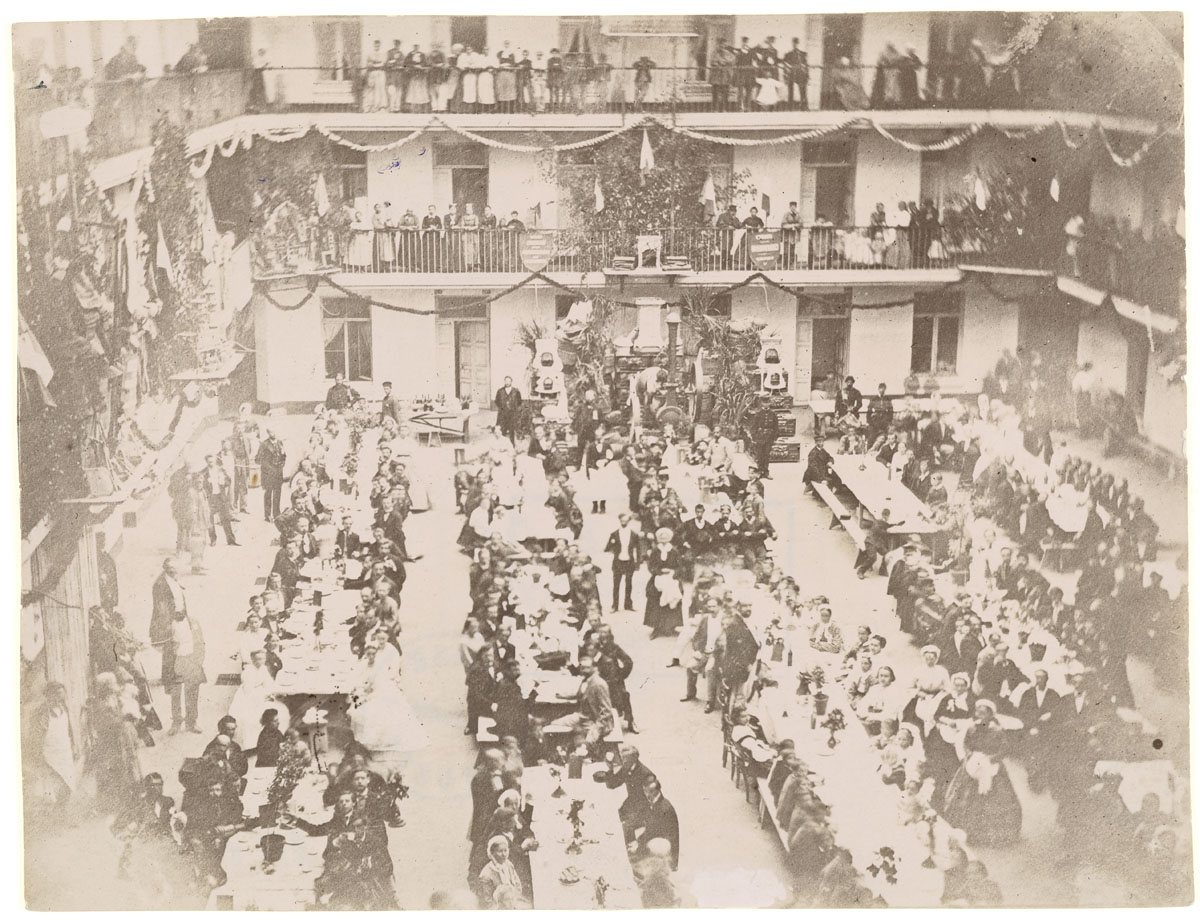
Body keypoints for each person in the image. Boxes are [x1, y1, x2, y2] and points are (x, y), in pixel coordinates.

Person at [941, 700, 1022, 846]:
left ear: (991, 715)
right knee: (965, 795)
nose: (980, 716)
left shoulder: (997, 730)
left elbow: (1004, 749)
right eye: (978, 713)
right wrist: (971, 755)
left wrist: (990, 759)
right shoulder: (972, 728)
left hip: (991, 767)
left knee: (996, 797)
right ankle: (969, 833)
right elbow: (966, 744)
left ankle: (994, 835)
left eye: (984, 713)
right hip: (973, 765)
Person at [550, 655, 614, 746]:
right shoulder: (586, 679)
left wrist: (596, 728)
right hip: (582, 717)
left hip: (595, 722)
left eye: (587, 668)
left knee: (585, 745)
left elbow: (606, 712)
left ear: (594, 668)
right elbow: (580, 694)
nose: (584, 670)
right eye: (582, 668)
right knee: (554, 724)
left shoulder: (598, 684)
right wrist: (562, 695)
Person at [624, 776, 679, 870]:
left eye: (647, 791)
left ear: (654, 792)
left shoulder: (664, 807)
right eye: (644, 791)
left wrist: (638, 844)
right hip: (659, 837)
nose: (645, 794)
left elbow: (654, 831)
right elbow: (649, 826)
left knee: (639, 853)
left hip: (665, 845)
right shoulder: (655, 801)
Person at [605, 512, 641, 612]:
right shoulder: (615, 534)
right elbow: (607, 548)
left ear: (629, 521)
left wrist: (638, 563)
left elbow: (638, 549)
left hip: (629, 561)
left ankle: (628, 605)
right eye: (622, 520)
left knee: (629, 584)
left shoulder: (634, 534)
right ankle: (615, 606)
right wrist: (613, 546)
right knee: (616, 584)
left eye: (626, 520)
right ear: (620, 521)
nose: (623, 522)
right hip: (618, 562)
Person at [256, 429, 287, 522]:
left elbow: (284, 456)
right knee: (268, 494)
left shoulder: (280, 442)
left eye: (275, 431)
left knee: (277, 493)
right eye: (271, 432)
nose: (274, 433)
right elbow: (258, 459)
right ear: (268, 433)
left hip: (278, 472)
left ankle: (277, 513)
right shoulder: (264, 444)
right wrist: (269, 467)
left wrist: (283, 459)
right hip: (268, 474)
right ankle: (268, 515)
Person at [494, 377, 523, 443]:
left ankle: (512, 446)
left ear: (511, 382)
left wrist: (514, 408)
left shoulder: (516, 391)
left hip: (512, 414)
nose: (507, 382)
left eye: (509, 381)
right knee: (502, 430)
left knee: (511, 431)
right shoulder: (500, 391)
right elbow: (496, 401)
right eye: (506, 381)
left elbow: (519, 401)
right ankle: (502, 445)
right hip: (502, 414)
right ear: (504, 382)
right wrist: (502, 408)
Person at [783, 37, 808, 110]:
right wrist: (786, 75)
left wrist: (807, 75)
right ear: (792, 43)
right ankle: (790, 108)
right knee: (790, 91)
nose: (795, 44)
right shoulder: (788, 54)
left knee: (803, 91)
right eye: (794, 43)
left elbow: (806, 65)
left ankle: (804, 106)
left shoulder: (803, 54)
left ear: (798, 44)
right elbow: (785, 63)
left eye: (796, 43)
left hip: (800, 74)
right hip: (792, 74)